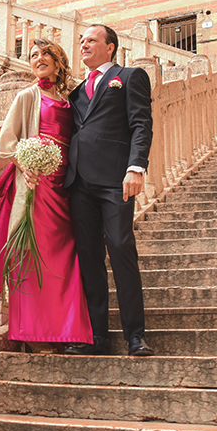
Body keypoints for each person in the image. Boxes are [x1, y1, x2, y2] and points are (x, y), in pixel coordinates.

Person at [0, 39, 93, 350]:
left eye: (44, 54)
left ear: (58, 60)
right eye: (33, 56)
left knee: (66, 260)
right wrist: (26, 164)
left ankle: (67, 331)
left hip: (67, 186)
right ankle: (33, 334)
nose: (38, 59)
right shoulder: (26, 96)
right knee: (32, 256)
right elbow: (5, 143)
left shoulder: (70, 99)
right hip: (37, 186)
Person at [64, 24, 154, 356]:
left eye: (91, 40)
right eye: (82, 41)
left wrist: (136, 167)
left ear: (110, 47)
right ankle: (96, 336)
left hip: (116, 179)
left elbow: (141, 123)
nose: (84, 45)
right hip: (79, 184)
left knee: (119, 246)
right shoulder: (75, 92)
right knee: (88, 257)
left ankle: (135, 335)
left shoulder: (129, 77)